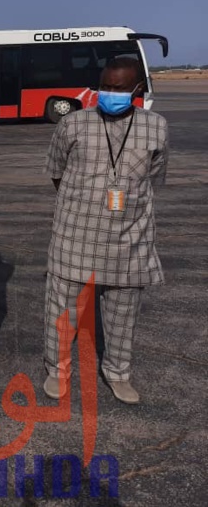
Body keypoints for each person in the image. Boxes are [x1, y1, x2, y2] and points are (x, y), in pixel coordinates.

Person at [43, 57, 168, 405]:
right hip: (74, 234)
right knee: (61, 309)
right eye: (105, 87)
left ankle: (117, 373)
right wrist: (83, 201)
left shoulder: (156, 126)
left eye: (119, 88)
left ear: (137, 89)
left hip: (130, 237)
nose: (110, 94)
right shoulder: (73, 123)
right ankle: (57, 370)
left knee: (122, 314)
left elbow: (153, 178)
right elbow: (56, 169)